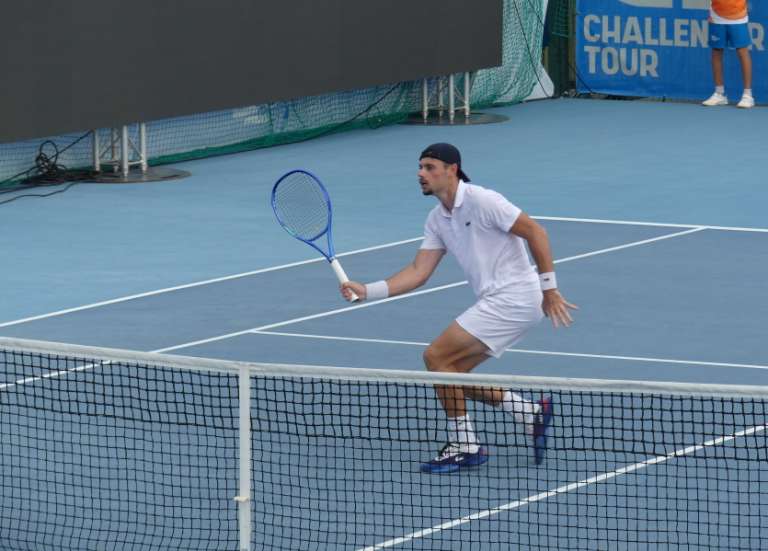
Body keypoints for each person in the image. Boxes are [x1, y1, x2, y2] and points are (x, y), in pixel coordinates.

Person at [340, 143, 577, 473]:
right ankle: (529, 413)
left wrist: (549, 289)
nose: (421, 174)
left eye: (429, 167)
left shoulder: (483, 200)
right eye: (420, 167)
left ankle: (465, 445)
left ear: (452, 169)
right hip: (499, 301)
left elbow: (536, 231)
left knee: (436, 357)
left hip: (516, 297)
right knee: (451, 373)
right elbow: (418, 272)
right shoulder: (437, 219)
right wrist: (368, 291)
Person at [702, 0, 754, 108]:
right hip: (716, 14)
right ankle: (719, 94)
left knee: (742, 51)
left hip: (738, 14)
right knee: (716, 51)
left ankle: (747, 95)